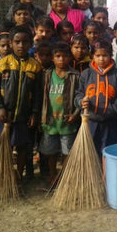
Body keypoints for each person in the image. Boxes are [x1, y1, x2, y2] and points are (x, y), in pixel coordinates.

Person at [0, 26, 42, 182]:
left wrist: (35, 113)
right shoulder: (1, 64)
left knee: (23, 146)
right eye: (17, 42)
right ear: (10, 43)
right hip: (5, 116)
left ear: (31, 44)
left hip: (23, 117)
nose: (21, 46)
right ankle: (4, 177)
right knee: (3, 147)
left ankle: (18, 176)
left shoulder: (34, 66)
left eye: (25, 42)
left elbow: (38, 94)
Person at [39, 42, 80, 186]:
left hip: (67, 121)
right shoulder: (47, 75)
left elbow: (79, 97)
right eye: (58, 56)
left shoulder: (75, 75)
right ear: (52, 58)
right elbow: (41, 98)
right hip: (50, 121)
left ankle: (64, 175)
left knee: (67, 151)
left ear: (70, 58)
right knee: (50, 151)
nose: (61, 60)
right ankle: (52, 174)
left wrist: (75, 114)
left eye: (65, 56)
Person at [76, 39, 117, 156]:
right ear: (92, 55)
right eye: (98, 55)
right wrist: (80, 102)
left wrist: (112, 110)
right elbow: (79, 93)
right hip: (90, 120)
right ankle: (92, 173)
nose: (101, 59)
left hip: (110, 121)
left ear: (111, 55)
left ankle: (106, 174)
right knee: (90, 151)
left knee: (108, 151)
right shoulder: (86, 74)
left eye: (105, 55)